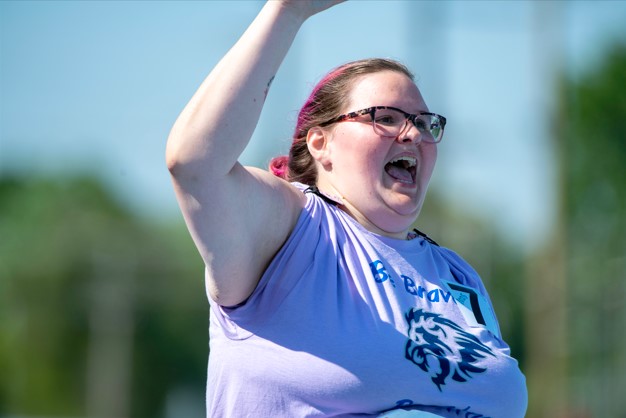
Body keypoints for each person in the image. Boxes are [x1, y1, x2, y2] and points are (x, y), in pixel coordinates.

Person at [166, 1, 528, 417]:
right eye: (386, 118)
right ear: (320, 143)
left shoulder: (457, 275)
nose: (412, 134)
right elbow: (194, 163)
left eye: (425, 123)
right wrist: (287, 11)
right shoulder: (292, 229)